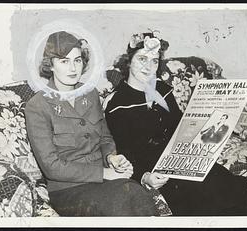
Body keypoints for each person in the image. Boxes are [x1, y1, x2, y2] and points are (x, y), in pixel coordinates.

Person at [104, 32, 247, 216]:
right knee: (203, 201)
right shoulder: (117, 105)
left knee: (228, 187)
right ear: (129, 61)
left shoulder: (162, 88)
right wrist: (145, 177)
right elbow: (123, 152)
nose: (148, 66)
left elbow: (181, 125)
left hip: (183, 156)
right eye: (142, 58)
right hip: (158, 169)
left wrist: (224, 124)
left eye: (154, 61)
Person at [25, 31, 157, 216]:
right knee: (123, 198)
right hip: (68, 191)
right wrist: (103, 173)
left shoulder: (90, 93)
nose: (73, 68)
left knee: (135, 194)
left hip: (105, 182)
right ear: (51, 65)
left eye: (77, 60)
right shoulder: (37, 106)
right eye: (64, 61)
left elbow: (104, 137)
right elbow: (51, 167)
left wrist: (111, 158)